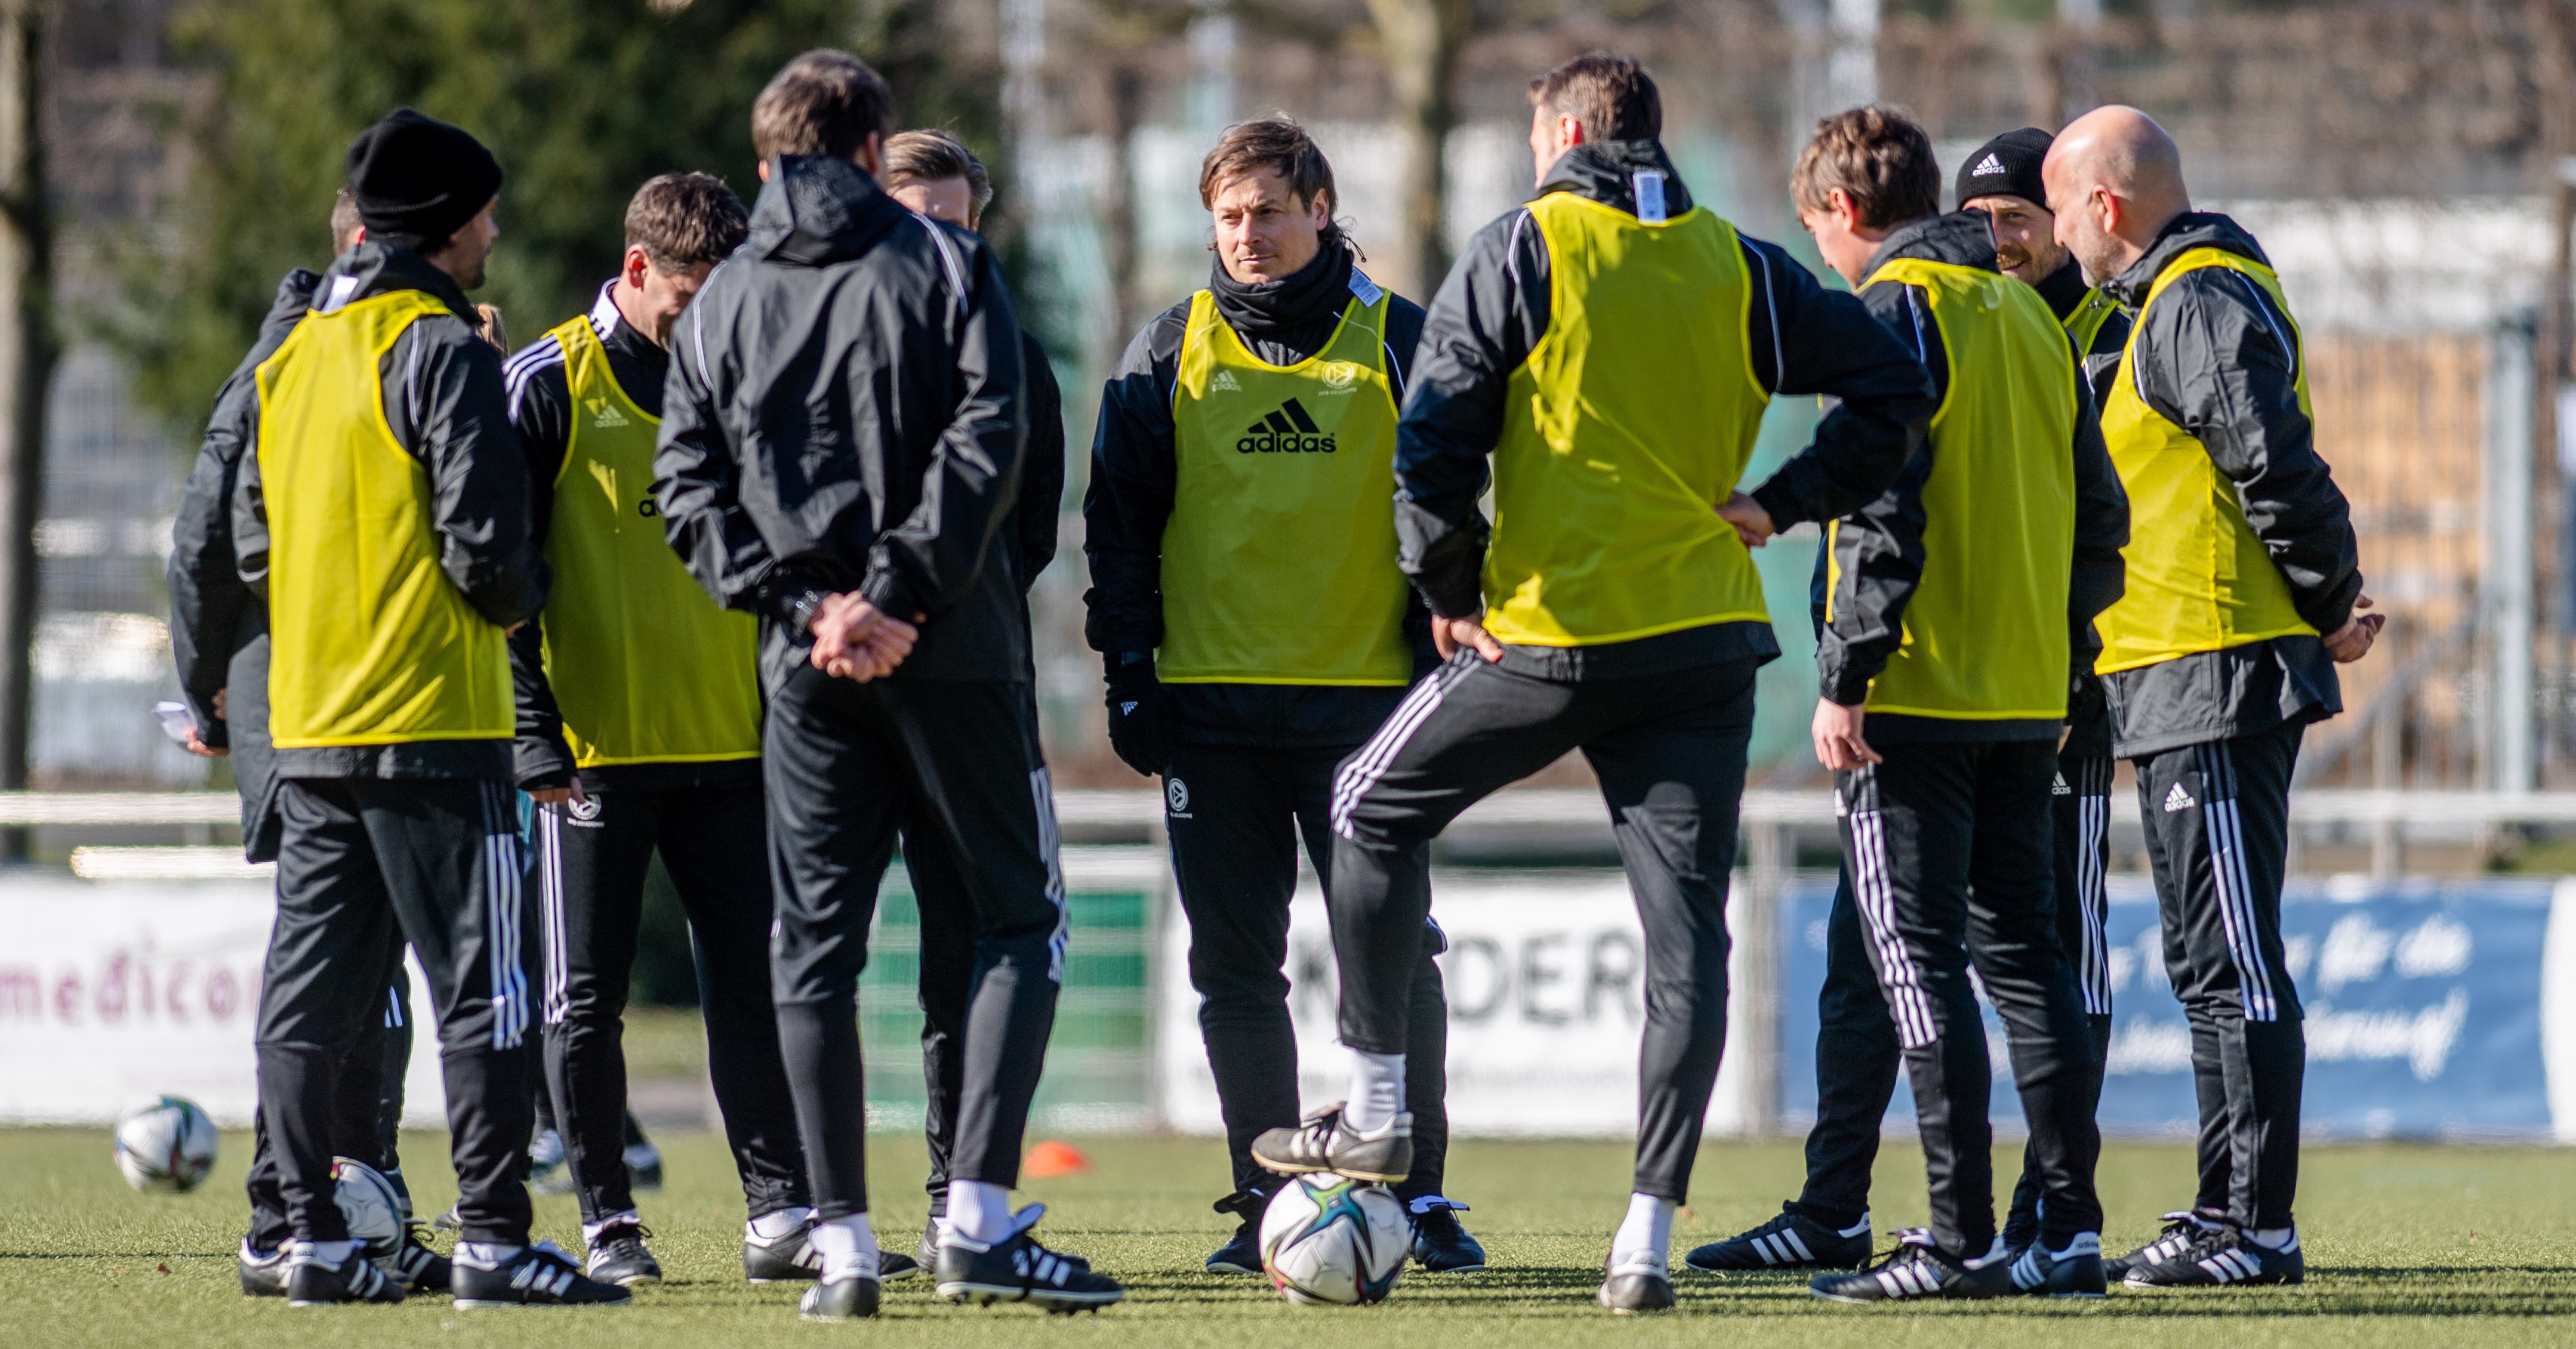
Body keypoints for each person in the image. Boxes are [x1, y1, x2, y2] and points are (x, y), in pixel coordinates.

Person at [1249, 54, 1937, 1316]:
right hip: (1703, 649)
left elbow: (1435, 436)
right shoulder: (1743, 263)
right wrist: (1784, 504)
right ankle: (1646, 1237)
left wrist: (1447, 588)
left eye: (1531, 133)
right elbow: (1897, 389)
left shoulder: (1525, 245)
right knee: (1685, 943)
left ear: (1564, 130)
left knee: (1363, 808)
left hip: (1551, 638)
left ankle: (1382, 1113)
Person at [655, 51, 1123, 1319]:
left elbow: (682, 491)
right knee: (1018, 923)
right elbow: (997, 439)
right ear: (872, 153)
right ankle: (972, 1216)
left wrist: (810, 607)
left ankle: (846, 1245)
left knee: (810, 951)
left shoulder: (722, 300)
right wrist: (903, 596)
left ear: (765, 165)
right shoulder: (948, 268)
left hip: (804, 665)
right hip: (950, 645)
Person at [1688, 121, 2136, 1282]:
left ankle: (1950, 1235)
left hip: (1913, 693)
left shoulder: (1891, 311)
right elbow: (2103, 527)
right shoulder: (2031, 320)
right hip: (2022, 698)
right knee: (2026, 960)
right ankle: (2068, 1229)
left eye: (1813, 231)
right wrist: (2054, 654)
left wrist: (1848, 674)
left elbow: (1883, 507)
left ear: (1839, 210)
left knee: (1911, 960)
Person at [230, 107, 625, 1307]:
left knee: (308, 997)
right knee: (486, 988)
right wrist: (525, 600)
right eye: (487, 212)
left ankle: (311, 1241)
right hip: (435, 722)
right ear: (453, 226)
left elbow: (252, 543)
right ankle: (497, 1240)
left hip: (312, 723)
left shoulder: (297, 350)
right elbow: (488, 544)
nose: (495, 229)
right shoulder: (439, 346)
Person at [1083, 116, 1484, 1277]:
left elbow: (1457, 516)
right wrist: (1130, 678)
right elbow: (1118, 538)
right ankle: (1262, 1196)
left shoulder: (1404, 340)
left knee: (1396, 959)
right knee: (1233, 968)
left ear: (1320, 204)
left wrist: (1446, 663)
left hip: (1371, 717)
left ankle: (1424, 1194)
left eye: (1266, 209)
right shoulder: (1164, 350)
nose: (1246, 235)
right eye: (1227, 216)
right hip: (1210, 717)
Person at [2044, 104, 2380, 1289]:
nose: (2054, 239)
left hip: (2219, 665)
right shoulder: (2155, 304)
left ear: (2104, 205)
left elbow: (2271, 459)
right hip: (2176, 674)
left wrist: (2330, 597)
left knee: (2229, 960)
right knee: (2206, 961)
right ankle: (2223, 1214)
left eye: (2058, 208)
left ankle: (2251, 1226)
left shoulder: (2193, 302)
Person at [503, 172, 821, 1289]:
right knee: (585, 1000)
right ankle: (606, 1222)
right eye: (694, 298)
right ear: (638, 271)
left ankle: (779, 1209)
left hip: (735, 750)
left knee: (755, 985)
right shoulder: (543, 386)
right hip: (590, 757)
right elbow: (496, 577)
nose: (714, 324)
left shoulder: (749, 380)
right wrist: (530, 734)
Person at [172, 188, 449, 1300]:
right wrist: (204, 687)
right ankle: (287, 1215)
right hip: (305, 704)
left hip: (370, 699)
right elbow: (206, 531)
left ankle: (352, 1201)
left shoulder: (402, 346)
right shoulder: (291, 358)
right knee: (332, 970)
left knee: (371, 974)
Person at [870, 128, 1072, 1280]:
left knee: (973, 941)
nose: (938, 245)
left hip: (972, 681)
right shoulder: (824, 347)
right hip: (839, 690)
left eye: (955, 222)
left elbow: (1030, 532)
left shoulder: (1018, 360)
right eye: (915, 220)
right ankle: (804, 1208)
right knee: (808, 946)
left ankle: (959, 1190)